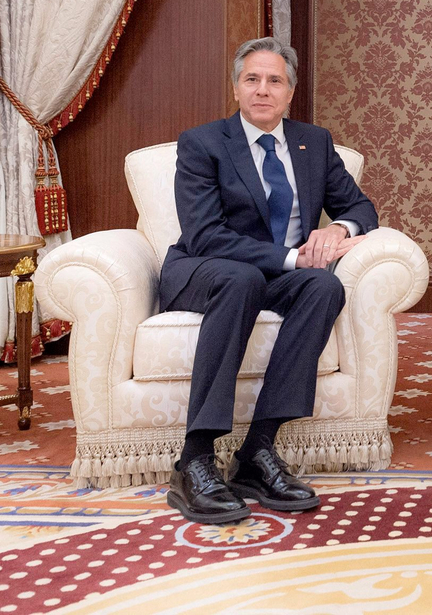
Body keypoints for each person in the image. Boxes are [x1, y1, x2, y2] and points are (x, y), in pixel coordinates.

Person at [158, 37, 378, 524]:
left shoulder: (313, 142)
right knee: (243, 280)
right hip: (204, 268)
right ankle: (194, 459)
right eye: (252, 79)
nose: (262, 89)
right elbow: (205, 234)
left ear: (290, 92)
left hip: (273, 275)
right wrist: (293, 257)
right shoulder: (203, 143)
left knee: (324, 287)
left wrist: (340, 229)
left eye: (274, 80)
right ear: (236, 88)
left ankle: (257, 452)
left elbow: (361, 207)